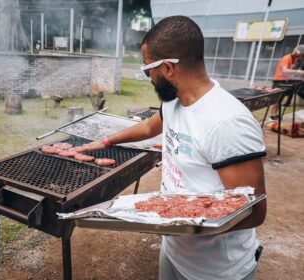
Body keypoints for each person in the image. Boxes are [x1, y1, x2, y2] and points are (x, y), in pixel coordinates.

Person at [82, 16, 266, 280]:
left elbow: (253, 212)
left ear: (167, 68)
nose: (148, 78)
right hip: (173, 253)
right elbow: (148, 128)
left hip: (217, 271)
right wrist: (108, 141)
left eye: (148, 70)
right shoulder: (175, 102)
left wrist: (169, 223)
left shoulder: (226, 122)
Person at [270, 45, 304, 118]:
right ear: (298, 53)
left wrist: (297, 78)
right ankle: (272, 116)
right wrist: (298, 72)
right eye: (302, 56)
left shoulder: (293, 60)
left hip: (285, 81)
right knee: (276, 100)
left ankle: (275, 115)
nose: (302, 58)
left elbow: (289, 73)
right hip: (278, 81)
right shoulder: (287, 58)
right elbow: (284, 70)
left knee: (280, 100)